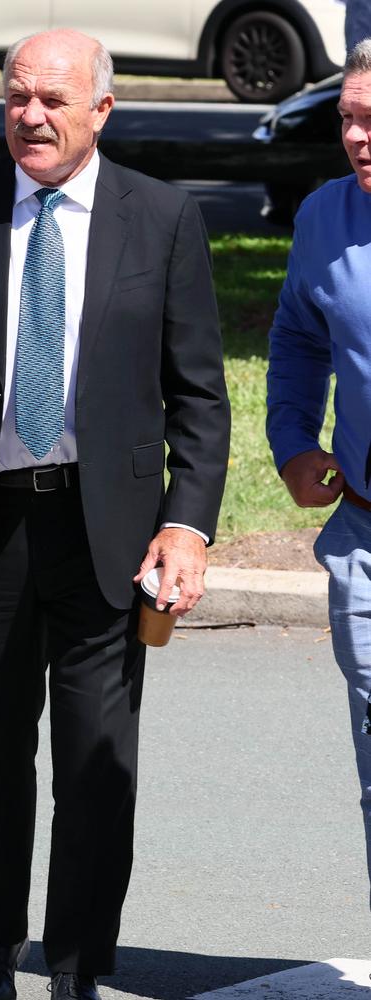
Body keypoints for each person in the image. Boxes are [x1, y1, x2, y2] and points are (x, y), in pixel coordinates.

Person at [0, 28, 230, 1000]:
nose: (29, 114)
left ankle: (72, 965)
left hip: (107, 533)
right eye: (16, 96)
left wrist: (185, 523)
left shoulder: (159, 217)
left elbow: (198, 392)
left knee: (96, 758)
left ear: (100, 111)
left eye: (52, 100)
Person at [267, 38, 371, 917]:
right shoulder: (324, 218)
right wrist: (295, 441)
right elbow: (299, 340)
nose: (358, 137)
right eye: (348, 118)